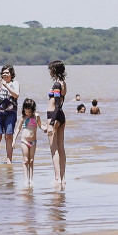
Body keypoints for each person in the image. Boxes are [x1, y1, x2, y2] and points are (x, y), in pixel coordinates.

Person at [0, 64, 20, 164]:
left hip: (10, 113)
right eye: (3, 73)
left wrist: (6, 85)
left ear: (11, 74)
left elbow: (16, 95)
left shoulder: (14, 83)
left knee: (9, 136)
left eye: (7, 73)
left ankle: (9, 160)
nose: (5, 74)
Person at [12, 98, 45, 187]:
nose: (28, 114)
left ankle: (31, 179)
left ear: (34, 110)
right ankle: (26, 179)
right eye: (26, 112)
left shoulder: (36, 116)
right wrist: (14, 139)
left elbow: (40, 125)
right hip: (24, 141)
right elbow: (18, 128)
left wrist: (45, 129)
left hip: (33, 141)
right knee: (26, 160)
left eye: (30, 112)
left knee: (31, 160)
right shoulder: (23, 117)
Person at [46, 60, 68, 189]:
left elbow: (57, 104)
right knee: (61, 147)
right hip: (61, 116)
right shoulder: (63, 83)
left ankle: (57, 178)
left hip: (53, 115)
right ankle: (63, 178)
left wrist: (52, 123)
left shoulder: (56, 84)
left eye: (50, 69)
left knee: (54, 149)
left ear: (54, 70)